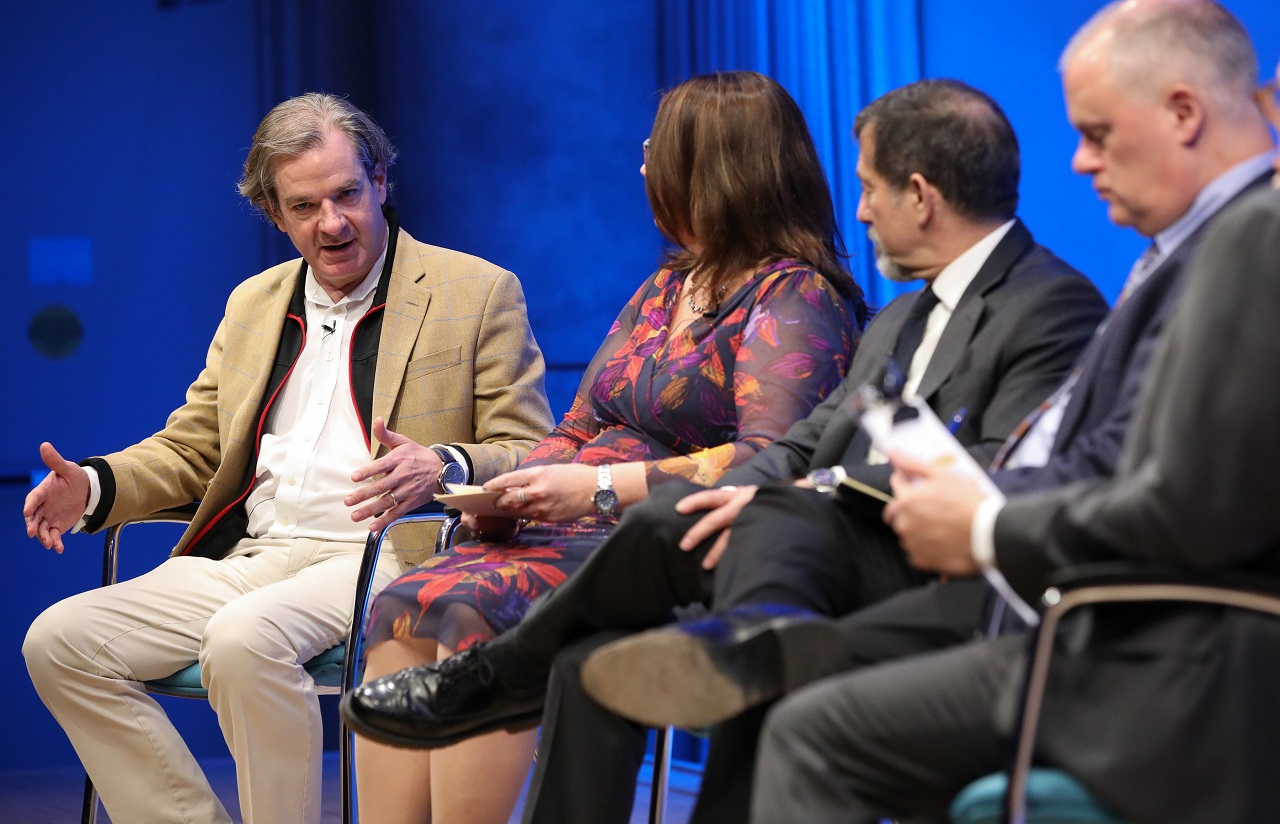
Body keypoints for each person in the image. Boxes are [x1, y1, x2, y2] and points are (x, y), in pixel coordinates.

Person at [576, 2, 1278, 820]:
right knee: (757, 619)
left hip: (1145, 647)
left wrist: (981, 525)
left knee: (806, 717)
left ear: (1183, 112)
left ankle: (658, 652)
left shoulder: (1246, 236)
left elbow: (1191, 508)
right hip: (1060, 600)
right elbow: (1112, 458)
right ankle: (731, 640)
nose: (1081, 163)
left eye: (1097, 132)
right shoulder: (1186, 250)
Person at [342, 78, 1110, 823]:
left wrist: (673, 490)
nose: (862, 210)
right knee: (581, 654)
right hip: (783, 534)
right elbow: (808, 442)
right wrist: (524, 486)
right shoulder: (900, 317)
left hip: (899, 563)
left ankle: (504, 677)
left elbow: (992, 473)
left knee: (677, 535)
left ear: (921, 196)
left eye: (872, 189)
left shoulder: (1041, 303)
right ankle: (571, 668)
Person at [341, 70, 867, 824]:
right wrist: (510, 491)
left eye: (661, 147)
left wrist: (594, 490)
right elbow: (577, 427)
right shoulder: (668, 284)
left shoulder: (794, 295)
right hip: (561, 524)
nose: (646, 161)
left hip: (667, 543)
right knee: (402, 601)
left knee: (469, 612)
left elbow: (771, 455)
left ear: (709, 167)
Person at [20, 93, 554, 824]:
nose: (331, 223)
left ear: (381, 183)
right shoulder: (254, 302)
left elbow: (529, 451)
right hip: (254, 554)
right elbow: (194, 447)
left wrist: (444, 464)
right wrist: (95, 486)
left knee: (244, 642)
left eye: (346, 194)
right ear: (275, 213)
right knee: (59, 642)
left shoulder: (476, 291)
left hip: (383, 554)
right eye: (305, 206)